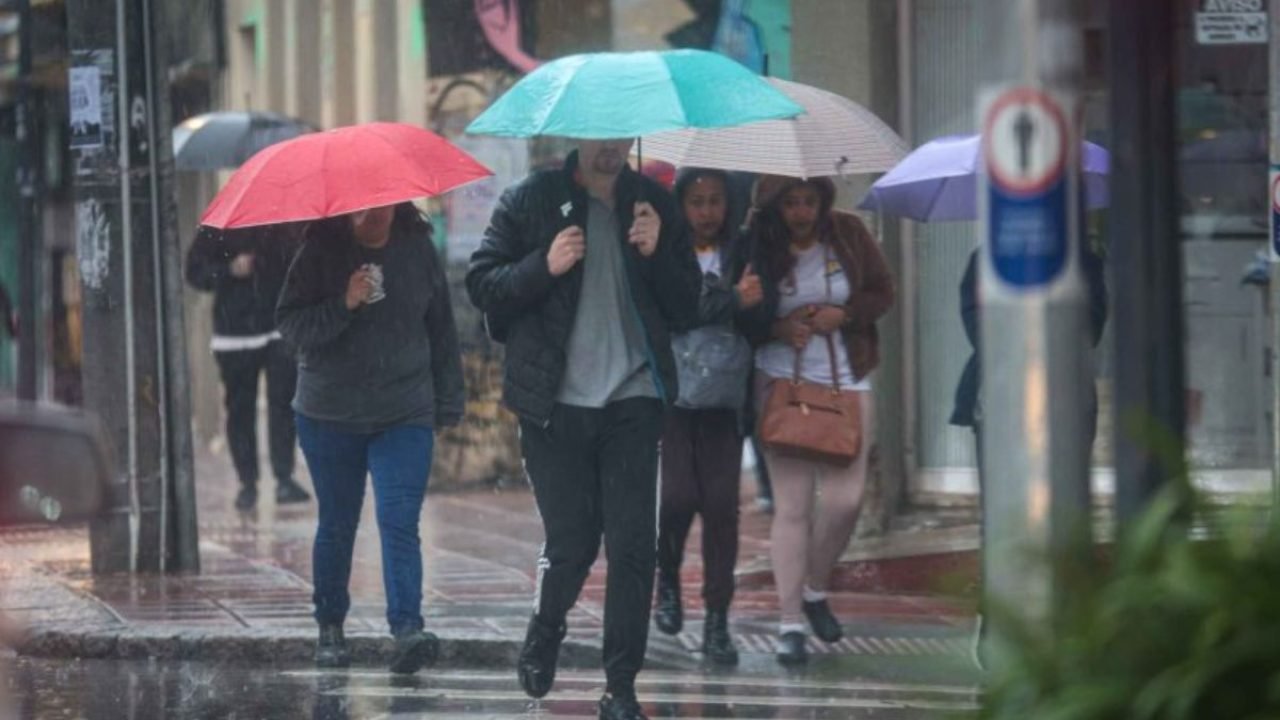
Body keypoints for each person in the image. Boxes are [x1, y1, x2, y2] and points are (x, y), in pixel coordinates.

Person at [467, 139, 700, 720]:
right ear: (577, 136)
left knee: (632, 548)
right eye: (600, 138)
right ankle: (546, 628)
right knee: (574, 541)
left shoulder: (654, 205)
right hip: (554, 400)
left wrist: (657, 253)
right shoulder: (530, 200)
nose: (612, 149)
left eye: (621, 137)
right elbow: (483, 284)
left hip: (633, 396)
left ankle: (620, 687)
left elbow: (688, 304)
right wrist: (542, 266)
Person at [276, 203, 464, 675]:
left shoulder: (417, 249)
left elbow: (441, 329)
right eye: (361, 207)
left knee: (399, 519)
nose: (372, 214)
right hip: (330, 413)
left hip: (404, 410)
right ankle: (331, 625)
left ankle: (407, 629)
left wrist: (448, 401)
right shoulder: (320, 251)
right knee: (338, 523)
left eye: (381, 203)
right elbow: (292, 326)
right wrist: (344, 302)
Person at [736, 175, 895, 666]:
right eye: (791, 203)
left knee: (846, 501)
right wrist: (776, 326)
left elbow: (882, 292)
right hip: (781, 382)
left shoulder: (847, 232)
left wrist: (843, 315)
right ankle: (789, 624)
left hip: (847, 380)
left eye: (808, 201)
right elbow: (738, 313)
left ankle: (815, 587)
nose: (801, 212)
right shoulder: (756, 245)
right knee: (793, 507)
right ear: (775, 206)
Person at [949, 242, 1108, 668]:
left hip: (1066, 398)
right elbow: (977, 325)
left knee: (1064, 510)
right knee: (1001, 513)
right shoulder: (985, 260)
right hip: (1000, 397)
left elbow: (1092, 326)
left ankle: (1064, 615)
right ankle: (998, 615)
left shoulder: (1083, 260)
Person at [652, 168, 761, 666]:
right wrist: (731, 299)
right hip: (675, 395)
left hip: (725, 398)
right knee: (676, 496)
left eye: (715, 200)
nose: (706, 211)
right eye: (696, 201)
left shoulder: (744, 250)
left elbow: (760, 311)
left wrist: (745, 304)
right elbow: (674, 307)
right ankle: (667, 578)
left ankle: (718, 619)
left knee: (721, 506)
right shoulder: (668, 250)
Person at [186, 225, 311, 510]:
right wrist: (229, 270)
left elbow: (298, 268)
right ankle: (247, 482)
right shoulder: (217, 228)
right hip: (235, 332)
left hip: (277, 327)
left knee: (284, 404)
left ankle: (284, 477)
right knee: (240, 409)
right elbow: (195, 273)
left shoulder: (280, 228)